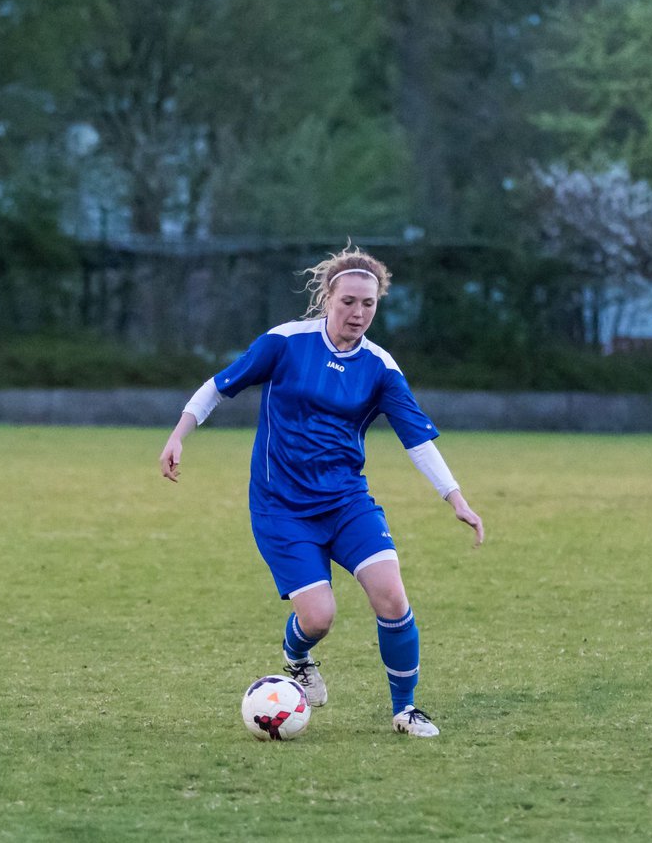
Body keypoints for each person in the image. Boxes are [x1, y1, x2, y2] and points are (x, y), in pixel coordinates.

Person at [159, 247, 484, 739]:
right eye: (349, 301)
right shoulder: (286, 343)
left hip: (346, 501)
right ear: (327, 298)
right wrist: (179, 434)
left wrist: (455, 497)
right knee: (319, 616)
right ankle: (296, 657)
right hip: (281, 507)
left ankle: (406, 709)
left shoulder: (380, 366)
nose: (358, 314)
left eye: (368, 304)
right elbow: (218, 386)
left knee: (392, 597)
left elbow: (416, 437)